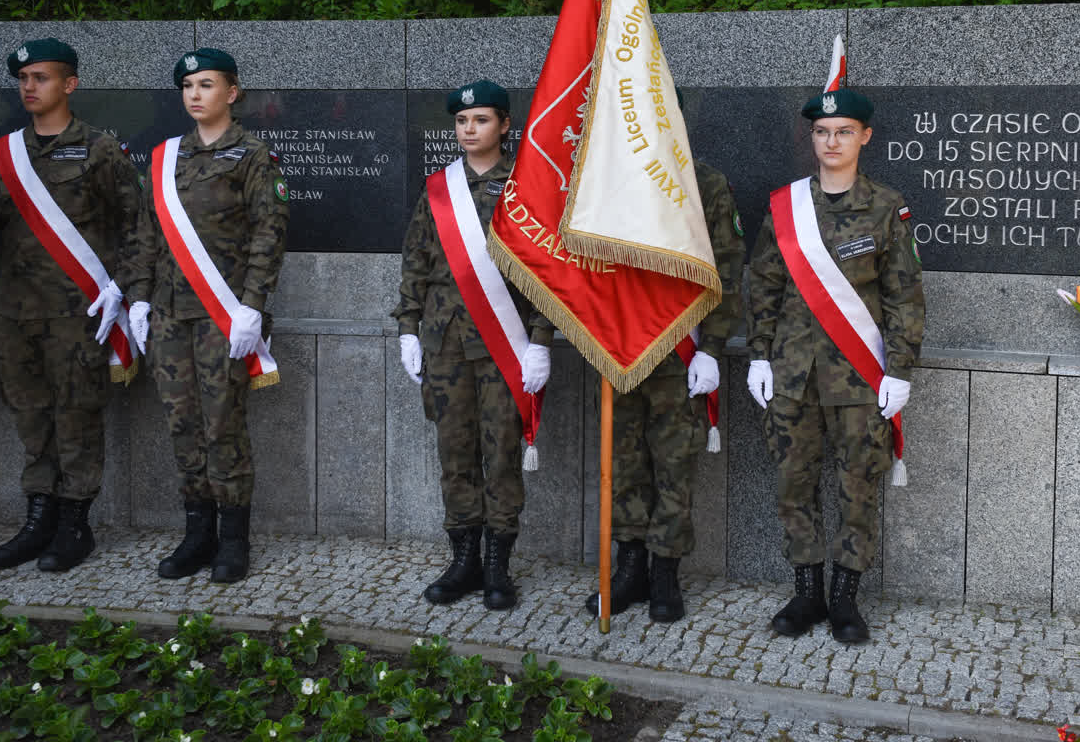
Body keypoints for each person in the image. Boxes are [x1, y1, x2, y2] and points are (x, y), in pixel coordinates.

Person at [746, 84, 924, 643]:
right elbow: (764, 287)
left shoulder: (886, 206)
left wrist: (898, 368)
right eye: (822, 132)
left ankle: (846, 599)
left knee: (857, 486)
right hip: (793, 378)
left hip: (858, 379)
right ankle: (806, 594)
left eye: (843, 131)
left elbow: (903, 297)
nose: (831, 141)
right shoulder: (785, 207)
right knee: (793, 485)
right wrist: (760, 357)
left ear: (864, 137)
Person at [125, 47, 288, 584]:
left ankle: (234, 540)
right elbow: (148, 235)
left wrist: (252, 307)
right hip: (171, 316)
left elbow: (270, 233)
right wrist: (141, 298)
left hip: (226, 316)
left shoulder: (253, 155)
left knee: (223, 426)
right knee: (183, 424)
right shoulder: (165, 157)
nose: (196, 95)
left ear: (232, 94)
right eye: (188, 86)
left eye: (207, 85)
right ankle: (198, 533)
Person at [0, 37, 143, 572]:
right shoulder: (3, 155)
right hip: (15, 312)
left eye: (41, 78)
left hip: (79, 313)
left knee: (76, 416)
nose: (30, 87)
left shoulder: (99, 150)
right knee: (30, 417)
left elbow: (135, 226)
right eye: (23, 79)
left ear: (69, 84)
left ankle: (74, 525)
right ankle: (38, 519)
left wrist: (124, 290)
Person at [394, 80, 553, 611]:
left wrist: (539, 342)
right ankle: (463, 560)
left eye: (481, 121)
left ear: (505, 126)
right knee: (455, 453)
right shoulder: (439, 190)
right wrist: (408, 329)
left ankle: (498, 565)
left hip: (503, 346)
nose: (469, 130)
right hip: (445, 345)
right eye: (462, 122)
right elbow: (416, 261)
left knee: (501, 454)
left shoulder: (527, 188)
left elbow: (545, 273)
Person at [586, 144, 745, 623]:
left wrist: (713, 348)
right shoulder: (604, 182)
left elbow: (727, 270)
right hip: (622, 351)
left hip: (681, 356)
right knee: (624, 463)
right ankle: (630, 568)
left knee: (674, 470)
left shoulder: (705, 183)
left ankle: (665, 574)